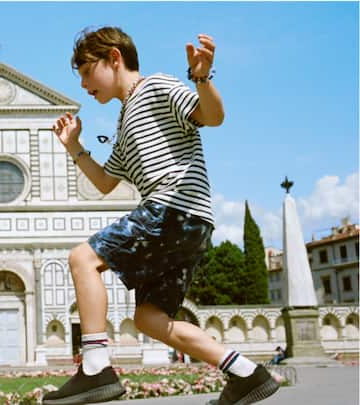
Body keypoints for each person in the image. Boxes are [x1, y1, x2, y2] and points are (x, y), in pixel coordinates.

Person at [42, 27, 280, 405]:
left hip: (174, 208)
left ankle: (94, 367)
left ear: (114, 58)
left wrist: (201, 77)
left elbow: (213, 116)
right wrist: (74, 148)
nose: (85, 84)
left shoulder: (156, 86)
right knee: (150, 318)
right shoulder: (124, 123)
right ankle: (247, 373)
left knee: (81, 258)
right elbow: (105, 183)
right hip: (189, 224)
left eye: (87, 71)